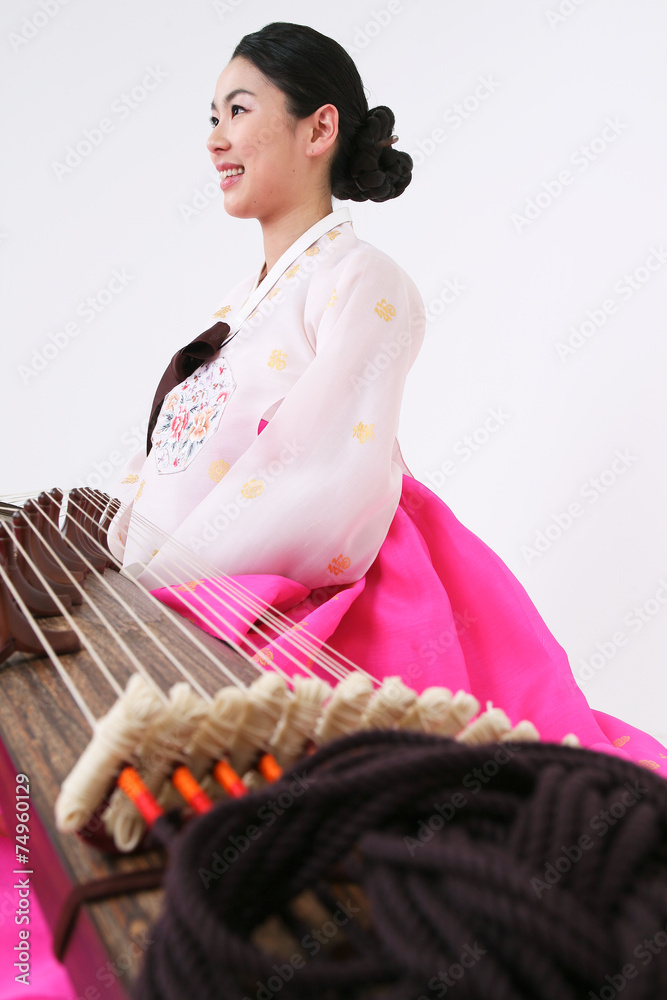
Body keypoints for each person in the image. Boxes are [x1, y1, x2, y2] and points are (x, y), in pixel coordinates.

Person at [106, 21, 666, 770]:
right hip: (196, 590)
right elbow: (164, 461)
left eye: (237, 110)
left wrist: (152, 590)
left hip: (308, 598)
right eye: (212, 117)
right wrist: (115, 560)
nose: (215, 139)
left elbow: (317, 468)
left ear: (319, 128)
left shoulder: (363, 279)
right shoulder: (235, 307)